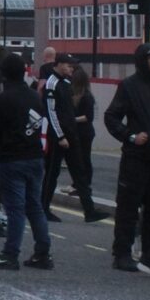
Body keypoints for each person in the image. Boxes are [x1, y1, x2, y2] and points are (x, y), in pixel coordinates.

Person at [104, 43, 150, 276]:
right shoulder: (128, 86)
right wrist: (131, 136)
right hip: (136, 158)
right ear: (141, 61)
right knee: (128, 208)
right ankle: (122, 254)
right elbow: (111, 117)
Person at [0, 50, 52, 270]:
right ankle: (43, 252)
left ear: (3, 74)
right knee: (35, 206)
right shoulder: (34, 96)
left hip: (11, 158)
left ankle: (10, 253)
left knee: (15, 209)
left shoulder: (3, 99)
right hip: (34, 156)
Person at [43, 57, 104, 222]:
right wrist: (59, 135)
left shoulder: (66, 83)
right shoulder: (51, 83)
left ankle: (89, 211)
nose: (72, 69)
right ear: (59, 65)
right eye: (69, 65)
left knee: (79, 173)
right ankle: (44, 208)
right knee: (52, 173)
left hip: (71, 134)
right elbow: (51, 112)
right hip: (59, 136)